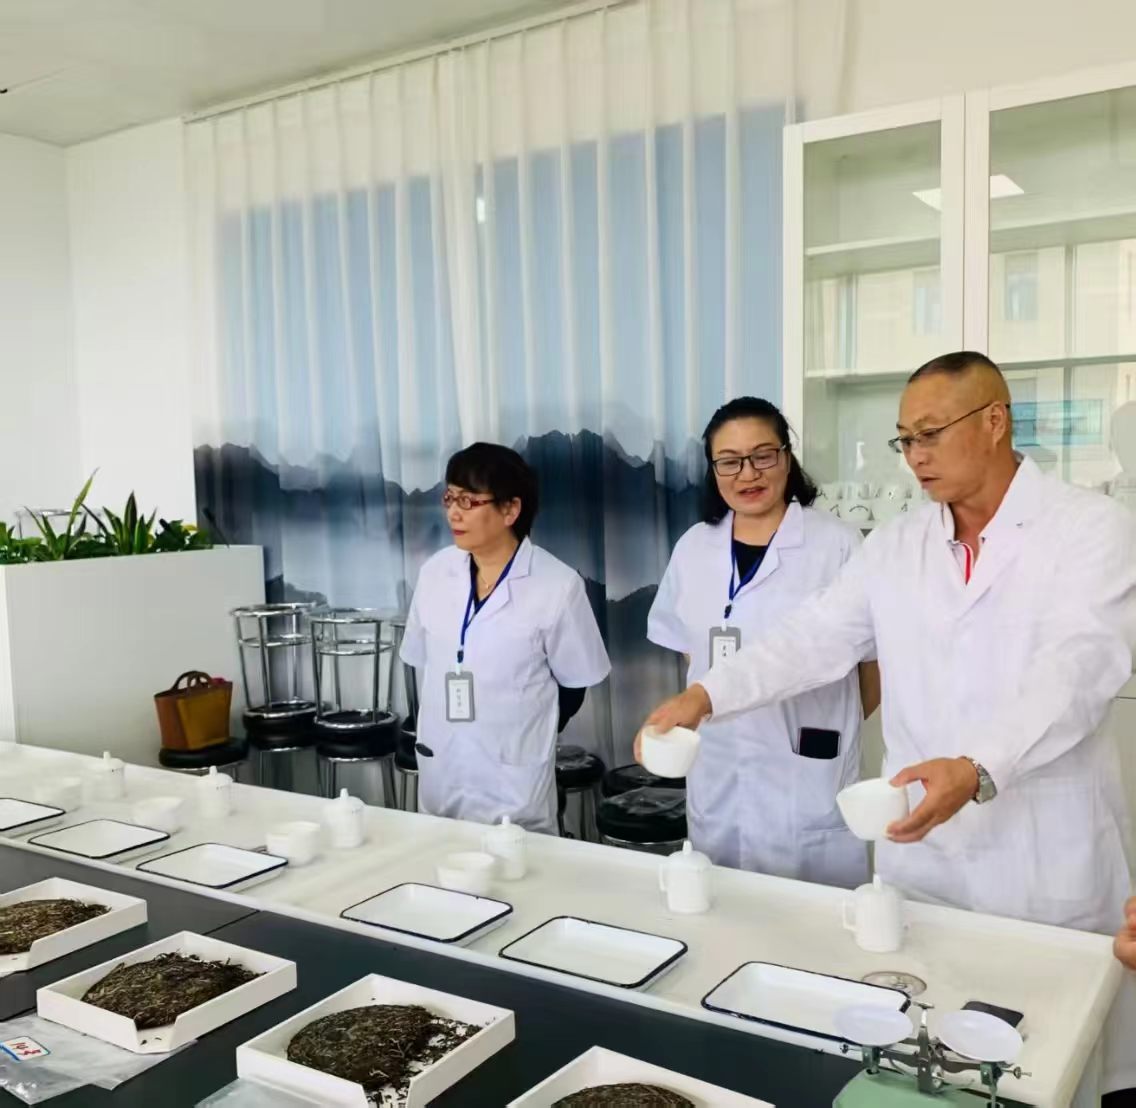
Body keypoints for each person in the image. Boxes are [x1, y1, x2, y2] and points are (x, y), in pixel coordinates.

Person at [640, 352, 1136, 1096]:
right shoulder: (899, 544)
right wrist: (706, 695)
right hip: (925, 857)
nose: (915, 456)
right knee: (921, 1060)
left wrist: (977, 766)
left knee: (1048, 1067)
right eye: (905, 440)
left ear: (994, 422)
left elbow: (1081, 669)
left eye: (930, 434)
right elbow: (811, 638)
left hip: (1042, 859)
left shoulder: (1090, 529)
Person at [647, 397, 875, 886]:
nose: (747, 473)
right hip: (718, 766)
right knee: (721, 906)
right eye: (729, 461)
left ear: (787, 458)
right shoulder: (693, 547)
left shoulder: (837, 544)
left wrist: (823, 724)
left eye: (763, 455)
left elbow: (871, 669)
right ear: (713, 470)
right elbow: (691, 653)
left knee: (813, 916)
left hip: (805, 771)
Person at [401, 443, 610, 833]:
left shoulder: (557, 585)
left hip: (513, 785)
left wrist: (522, 734)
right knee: (440, 859)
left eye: (469, 500)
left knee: (517, 863)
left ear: (511, 509)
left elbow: (574, 686)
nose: (454, 512)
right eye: (450, 498)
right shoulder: (434, 573)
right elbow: (423, 660)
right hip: (442, 769)